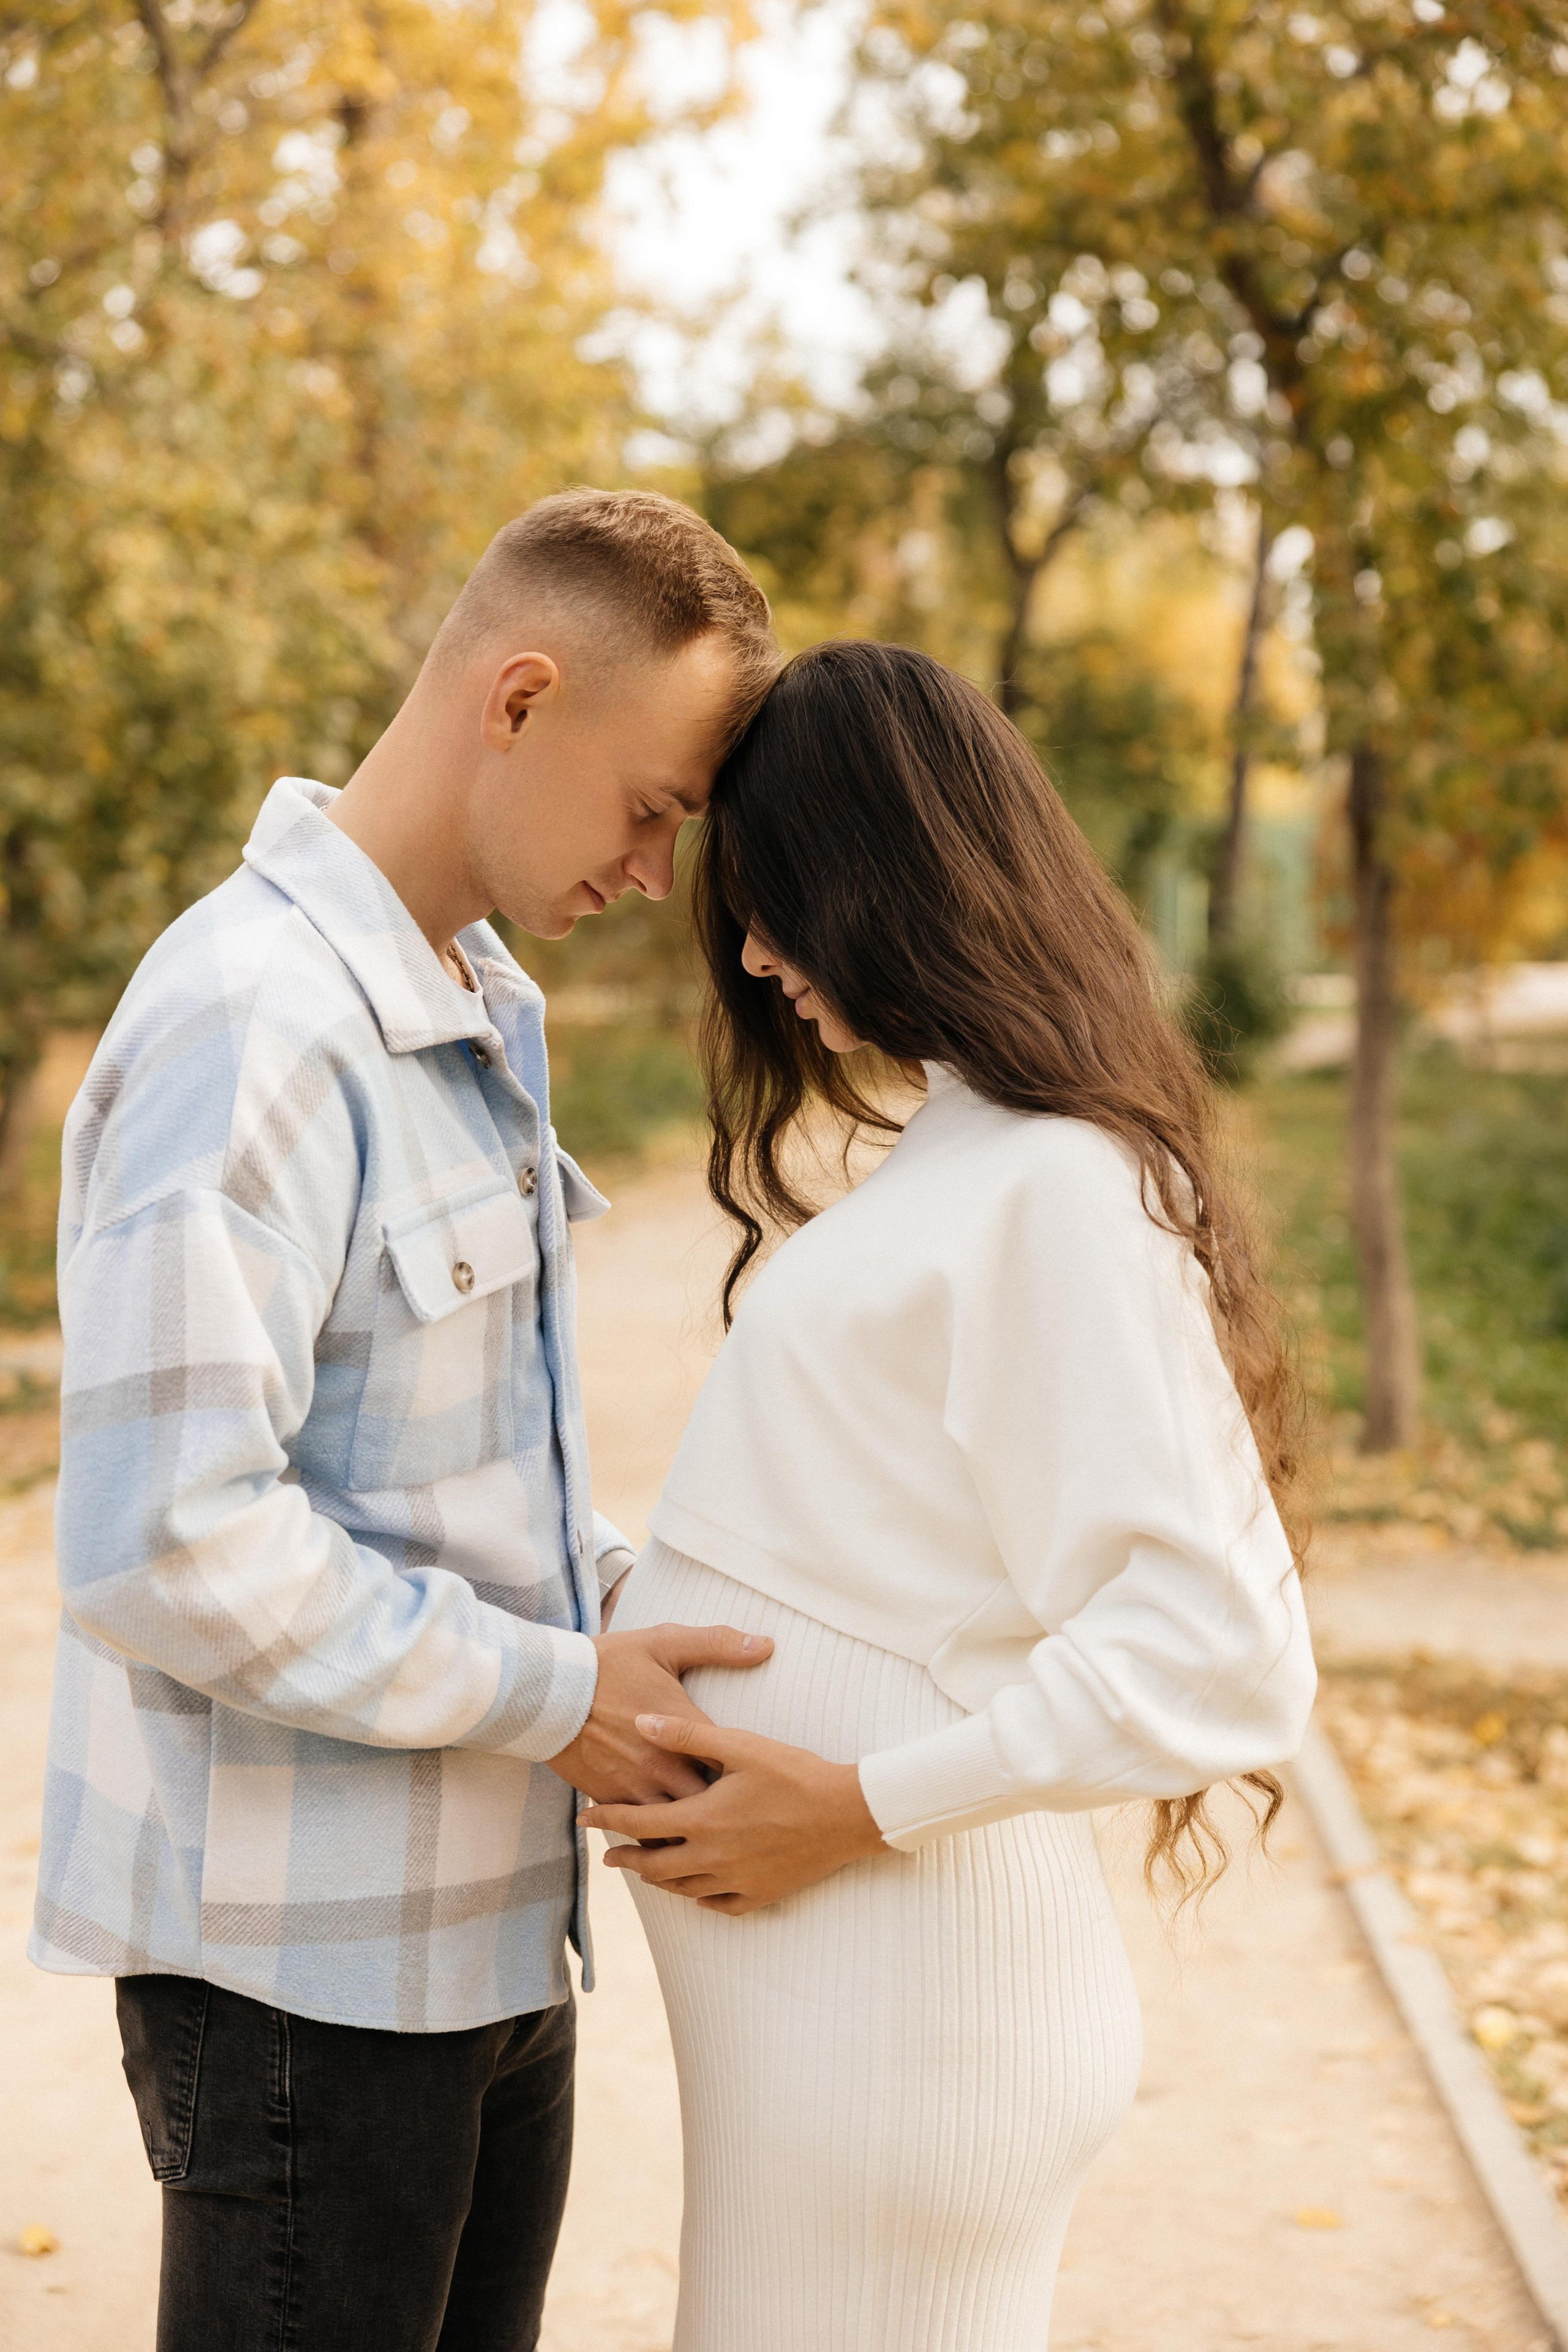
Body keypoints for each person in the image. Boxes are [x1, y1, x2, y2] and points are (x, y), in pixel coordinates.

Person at [31, 489, 782, 2352]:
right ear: (521, 698)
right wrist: (559, 1697)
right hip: (304, 1997)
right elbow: (167, 1537)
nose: (657, 873)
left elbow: (457, 1480)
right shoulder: (252, 1024)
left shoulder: (474, 1006)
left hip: (487, 1947)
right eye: (653, 808)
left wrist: (641, 1616)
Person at [582, 639, 1319, 2350]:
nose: (756, 957)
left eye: (774, 904)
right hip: (848, 2025)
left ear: (888, 882)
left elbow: (1226, 1650)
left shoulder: (1056, 1179)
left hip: (903, 2009)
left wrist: (860, 1803)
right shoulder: (977, 1152)